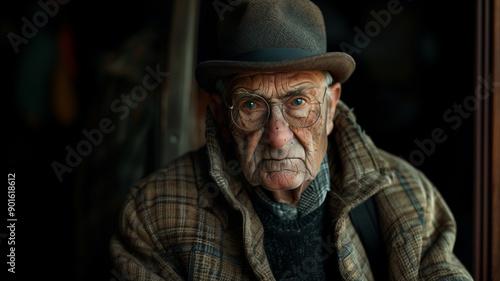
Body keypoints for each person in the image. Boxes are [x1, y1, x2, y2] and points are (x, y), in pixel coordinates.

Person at [110, 0, 473, 280]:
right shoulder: (155, 215)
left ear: (331, 107)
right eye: (251, 104)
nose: (278, 136)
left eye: (298, 101)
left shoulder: (409, 199)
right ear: (222, 116)